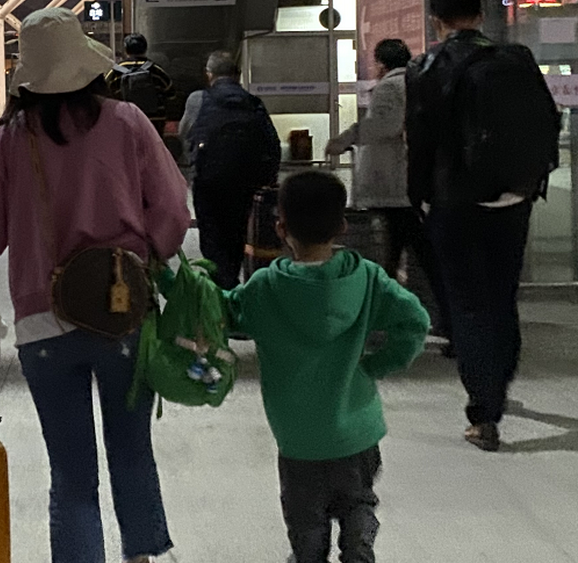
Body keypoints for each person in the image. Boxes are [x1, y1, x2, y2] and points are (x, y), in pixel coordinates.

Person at [0, 9, 191, 563]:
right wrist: (150, 251)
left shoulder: (12, 140)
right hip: (122, 312)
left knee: (72, 473)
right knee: (132, 452)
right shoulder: (128, 122)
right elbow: (173, 209)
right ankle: (141, 555)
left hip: (43, 326)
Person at [223, 171, 430, 563]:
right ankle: (358, 551)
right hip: (358, 432)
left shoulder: (266, 288)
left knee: (305, 518)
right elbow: (415, 321)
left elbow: (224, 312)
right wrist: (376, 366)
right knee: (358, 501)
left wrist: (183, 283)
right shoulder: (367, 278)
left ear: (281, 227)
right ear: (342, 226)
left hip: (299, 438)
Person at [406, 0, 560, 451]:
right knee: (501, 297)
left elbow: (420, 141)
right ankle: (498, 387)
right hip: (513, 196)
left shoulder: (427, 67)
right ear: (479, 16)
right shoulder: (517, 59)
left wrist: (418, 197)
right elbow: (547, 121)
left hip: (455, 200)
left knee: (468, 305)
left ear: (436, 20)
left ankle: (484, 412)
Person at [325, 38, 453, 353]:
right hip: (407, 184)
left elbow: (383, 125)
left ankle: (441, 322)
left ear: (381, 64)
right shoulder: (416, 83)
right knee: (403, 255)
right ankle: (418, 319)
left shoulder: (391, 87)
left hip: (393, 186)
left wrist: (346, 139)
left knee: (410, 256)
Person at [179, 51, 281, 290]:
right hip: (247, 181)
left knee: (212, 234)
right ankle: (234, 281)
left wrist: (194, 161)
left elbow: (185, 132)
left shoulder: (198, 99)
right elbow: (271, 141)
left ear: (209, 75)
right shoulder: (253, 102)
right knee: (238, 232)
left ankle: (220, 286)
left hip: (209, 179)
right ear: (238, 75)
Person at [105, 33, 174, 136]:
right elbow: (171, 94)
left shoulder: (116, 71)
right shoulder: (156, 70)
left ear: (126, 49)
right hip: (154, 121)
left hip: (126, 120)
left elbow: (104, 93)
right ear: (145, 49)